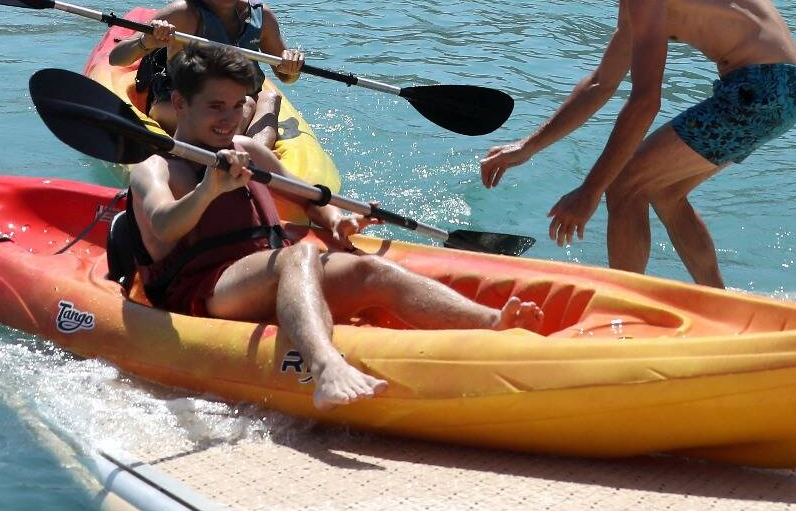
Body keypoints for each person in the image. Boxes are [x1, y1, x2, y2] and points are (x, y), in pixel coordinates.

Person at [131, 45, 542, 409]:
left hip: (270, 273)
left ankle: (492, 323)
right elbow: (164, 226)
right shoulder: (157, 168)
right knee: (300, 254)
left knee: (371, 270)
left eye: (238, 106)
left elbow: (311, 201)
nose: (229, 118)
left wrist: (339, 219)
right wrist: (208, 190)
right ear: (181, 103)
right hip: (206, 290)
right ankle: (326, 368)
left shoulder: (248, 150)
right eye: (216, 106)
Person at [479, 0, 796, 287]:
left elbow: (646, 101)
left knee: (624, 184)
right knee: (665, 192)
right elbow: (602, 84)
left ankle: (624, 313)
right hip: (781, 88)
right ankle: (718, 302)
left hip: (761, 89)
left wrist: (589, 192)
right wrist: (528, 147)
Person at [109, 0, 304, 134]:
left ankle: (248, 157)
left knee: (268, 99)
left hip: (237, 105)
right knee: (246, 108)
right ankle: (232, 148)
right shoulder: (182, 14)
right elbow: (116, 58)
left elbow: (286, 77)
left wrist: (292, 65)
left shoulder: (262, 17)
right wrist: (147, 41)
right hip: (183, 104)